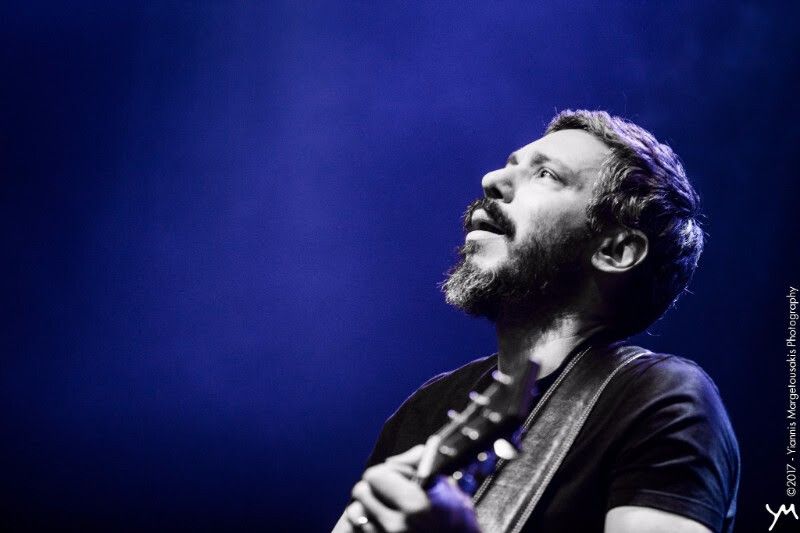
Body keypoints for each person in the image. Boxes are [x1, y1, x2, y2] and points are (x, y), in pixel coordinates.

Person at [332, 110, 739, 533]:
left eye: (546, 174)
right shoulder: (426, 411)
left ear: (615, 251)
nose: (492, 179)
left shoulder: (658, 400)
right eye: (509, 165)